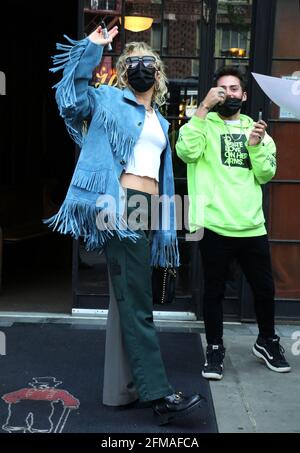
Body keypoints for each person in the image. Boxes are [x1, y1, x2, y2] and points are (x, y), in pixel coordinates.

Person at [47, 25, 206, 425]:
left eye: (146, 62)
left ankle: (120, 389)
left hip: (150, 208)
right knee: (137, 305)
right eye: (131, 62)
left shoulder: (158, 120)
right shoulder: (106, 101)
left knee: (128, 302)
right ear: (120, 71)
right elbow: (71, 98)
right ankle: (160, 395)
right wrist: (92, 49)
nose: (139, 67)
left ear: (159, 72)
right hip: (121, 208)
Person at [176, 66, 291, 380]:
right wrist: (202, 108)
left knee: (264, 289)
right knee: (213, 292)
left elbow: (266, 174)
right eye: (223, 89)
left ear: (244, 94)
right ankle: (214, 348)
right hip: (214, 224)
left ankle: (267, 341)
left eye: (235, 88)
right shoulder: (204, 124)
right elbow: (185, 151)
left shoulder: (258, 130)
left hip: (251, 224)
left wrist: (255, 145)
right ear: (216, 94)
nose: (229, 93)